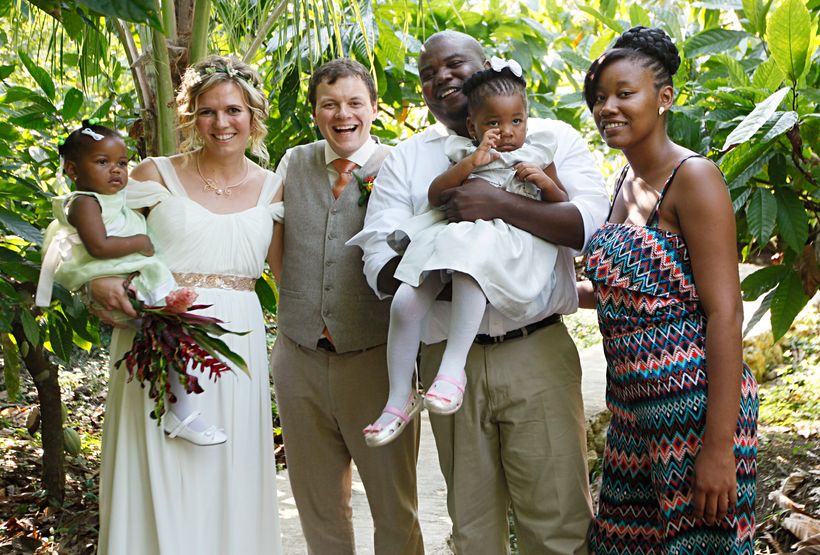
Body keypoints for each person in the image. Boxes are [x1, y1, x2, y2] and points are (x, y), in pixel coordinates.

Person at [357, 30, 610, 553]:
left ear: (487, 66)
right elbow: (378, 262)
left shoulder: (550, 139)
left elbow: (589, 224)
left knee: (558, 523)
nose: (441, 78)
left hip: (535, 351)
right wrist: (459, 271)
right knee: (472, 530)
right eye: (428, 74)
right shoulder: (407, 158)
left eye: (454, 65)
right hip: (449, 359)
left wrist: (499, 204)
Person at [88, 55, 282, 554]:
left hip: (236, 347)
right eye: (208, 111)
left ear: (254, 115)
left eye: (234, 110)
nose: (222, 123)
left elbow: (292, 276)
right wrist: (101, 281)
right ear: (190, 116)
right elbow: (91, 231)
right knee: (159, 463)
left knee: (229, 469)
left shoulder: (275, 188)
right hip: (157, 331)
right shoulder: (154, 174)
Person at [579, 26, 758, 554]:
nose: (607, 107)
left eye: (623, 93)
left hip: (695, 413)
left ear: (664, 99)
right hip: (634, 413)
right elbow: (633, 295)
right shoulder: (625, 183)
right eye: (599, 97)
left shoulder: (694, 177)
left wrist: (719, 448)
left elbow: (724, 312)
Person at [354, 61, 568, 447]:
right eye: (494, 124)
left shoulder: (539, 151)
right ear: (473, 127)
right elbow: (437, 196)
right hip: (450, 238)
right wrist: (472, 162)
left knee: (471, 275)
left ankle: (453, 370)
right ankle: (398, 397)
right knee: (404, 303)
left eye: (516, 121)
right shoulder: (463, 153)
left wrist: (544, 182)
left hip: (496, 244)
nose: (506, 132)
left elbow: (561, 204)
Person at [267, 58, 423, 554]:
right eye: (329, 104)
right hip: (300, 357)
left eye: (355, 103)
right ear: (315, 112)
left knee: (394, 506)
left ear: (374, 108)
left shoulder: (402, 167)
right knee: (318, 507)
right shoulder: (294, 162)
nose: (343, 114)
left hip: (376, 359)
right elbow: (273, 241)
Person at [35, 121, 227, 446]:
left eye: (122, 163)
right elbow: (99, 246)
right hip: (118, 278)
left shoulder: (113, 198)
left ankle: (179, 409)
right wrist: (141, 241)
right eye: (102, 162)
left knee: (171, 340)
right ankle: (180, 413)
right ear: (71, 170)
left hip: (130, 275)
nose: (116, 171)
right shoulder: (84, 202)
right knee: (173, 334)